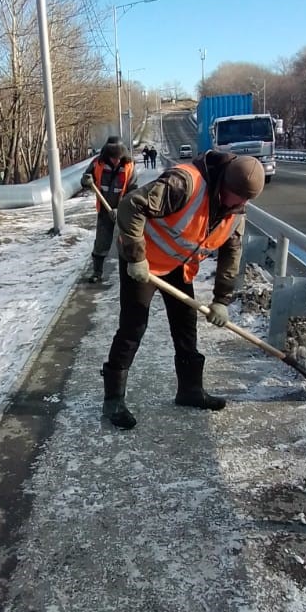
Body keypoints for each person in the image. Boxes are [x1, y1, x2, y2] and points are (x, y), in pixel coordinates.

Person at [100, 150, 266, 429]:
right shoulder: (184, 183)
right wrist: (136, 256)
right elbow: (131, 205)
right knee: (133, 327)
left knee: (186, 327)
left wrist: (221, 300)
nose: (238, 204)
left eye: (244, 200)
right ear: (223, 181)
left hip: (178, 266)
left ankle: (190, 391)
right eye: (235, 196)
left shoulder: (237, 209)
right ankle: (113, 400)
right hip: (144, 263)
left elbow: (231, 253)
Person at [80, 137, 137, 283]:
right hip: (105, 211)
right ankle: (97, 272)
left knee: (128, 242)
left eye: (118, 157)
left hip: (124, 211)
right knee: (101, 242)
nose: (116, 160)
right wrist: (86, 181)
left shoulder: (129, 166)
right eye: (113, 157)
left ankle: (131, 274)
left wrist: (121, 209)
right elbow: (85, 180)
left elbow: (133, 191)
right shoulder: (98, 163)